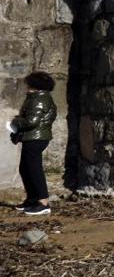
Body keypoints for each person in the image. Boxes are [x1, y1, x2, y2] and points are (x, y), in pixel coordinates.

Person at [8, 71, 57, 216]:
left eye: (28, 84)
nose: (26, 87)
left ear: (34, 86)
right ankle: (32, 199)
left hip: (36, 138)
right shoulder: (36, 98)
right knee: (25, 168)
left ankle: (43, 202)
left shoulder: (39, 99)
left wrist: (15, 121)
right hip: (33, 137)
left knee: (34, 169)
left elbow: (31, 121)